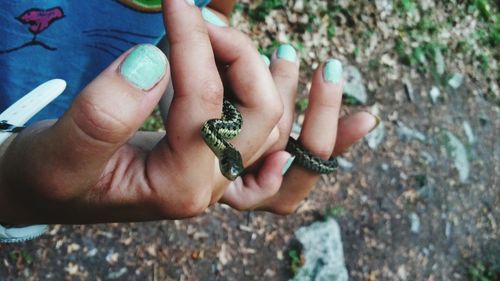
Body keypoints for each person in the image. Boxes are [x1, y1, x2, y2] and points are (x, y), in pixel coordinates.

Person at [0, 0, 378, 238]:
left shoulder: (218, 137)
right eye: (227, 163)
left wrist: (196, 77)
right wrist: (15, 193)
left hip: (57, 139)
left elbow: (204, 18)